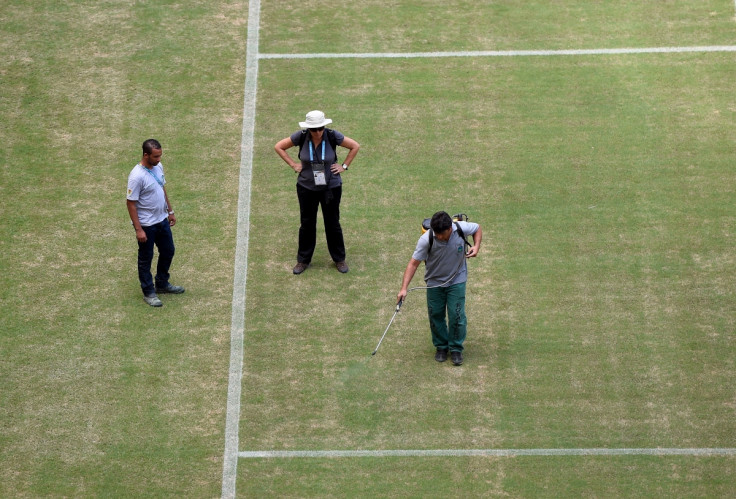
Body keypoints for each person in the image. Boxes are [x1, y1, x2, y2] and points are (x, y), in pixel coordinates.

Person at [274, 110, 360, 274]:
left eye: (320, 128)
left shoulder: (333, 136)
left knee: (332, 223)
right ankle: (303, 260)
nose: (318, 132)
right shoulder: (300, 136)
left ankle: (339, 259)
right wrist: (294, 165)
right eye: (314, 129)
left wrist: (344, 166)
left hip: (330, 187)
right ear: (308, 128)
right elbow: (279, 146)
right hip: (306, 187)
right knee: (307, 223)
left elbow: (355, 146)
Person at [397, 211, 482, 366]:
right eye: (436, 233)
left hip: (457, 280)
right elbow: (413, 264)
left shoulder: (462, 228)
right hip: (434, 282)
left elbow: (477, 228)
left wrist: (476, 246)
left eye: (441, 234)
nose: (438, 237)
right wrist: (403, 288)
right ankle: (441, 347)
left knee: (456, 315)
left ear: (450, 228)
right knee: (435, 314)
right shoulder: (426, 239)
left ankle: (456, 348)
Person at [126, 139, 185, 307]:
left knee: (168, 251)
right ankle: (148, 291)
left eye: (160, 155)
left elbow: (162, 189)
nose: (159, 159)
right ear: (146, 155)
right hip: (146, 225)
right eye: (156, 156)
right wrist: (139, 229)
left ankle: (162, 283)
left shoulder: (158, 167)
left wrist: (170, 211)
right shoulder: (137, 176)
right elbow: (130, 203)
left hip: (161, 220)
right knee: (146, 258)